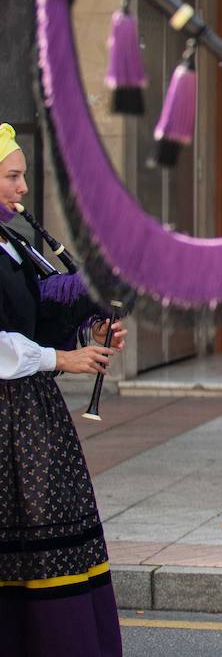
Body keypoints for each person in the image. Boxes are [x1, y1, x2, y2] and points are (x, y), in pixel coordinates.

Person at [0, 123, 127, 657]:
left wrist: (89, 329)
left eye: (22, 175)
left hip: (29, 415)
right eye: (12, 175)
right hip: (10, 425)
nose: (23, 187)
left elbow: (33, 311)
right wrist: (64, 358)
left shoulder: (11, 242)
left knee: (50, 545)